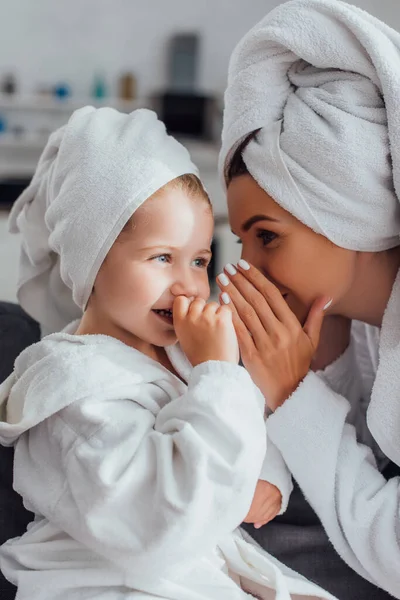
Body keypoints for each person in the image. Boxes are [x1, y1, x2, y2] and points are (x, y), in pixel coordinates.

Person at [0, 106, 337, 600]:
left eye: (199, 260)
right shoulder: (72, 392)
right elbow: (160, 523)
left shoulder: (181, 355)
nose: (186, 284)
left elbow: (251, 427)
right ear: (91, 260)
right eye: (162, 257)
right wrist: (217, 372)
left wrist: (266, 478)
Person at [217, 0, 400, 598]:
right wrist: (325, 361)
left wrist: (295, 394)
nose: (250, 268)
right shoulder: (355, 323)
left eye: (267, 236)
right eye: (242, 240)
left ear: (349, 211)